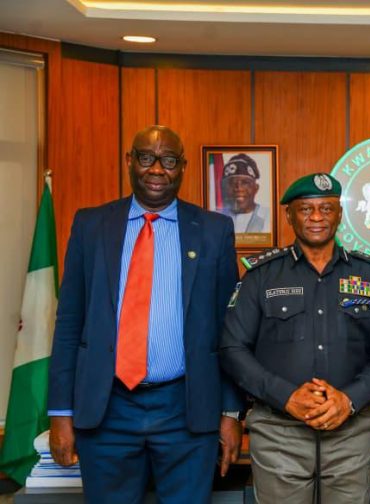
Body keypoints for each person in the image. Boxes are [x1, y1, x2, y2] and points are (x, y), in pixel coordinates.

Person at [47, 125, 244, 503]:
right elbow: (69, 322)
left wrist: (231, 413)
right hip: (107, 408)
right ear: (129, 161)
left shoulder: (214, 231)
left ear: (182, 167)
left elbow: (229, 330)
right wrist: (60, 412)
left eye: (168, 160)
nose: (156, 169)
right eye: (146, 158)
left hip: (187, 409)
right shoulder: (91, 225)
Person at [219, 172, 370, 504]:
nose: (317, 217)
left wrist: (348, 400)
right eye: (306, 209)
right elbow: (232, 348)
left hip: (351, 433)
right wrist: (287, 396)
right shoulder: (261, 276)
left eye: (326, 208)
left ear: (340, 214)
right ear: (289, 215)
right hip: (279, 433)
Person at [220, 153, 270, 233]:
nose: (239, 188)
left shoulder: (269, 216)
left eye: (245, 183)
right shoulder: (218, 215)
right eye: (232, 183)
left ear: (256, 188)